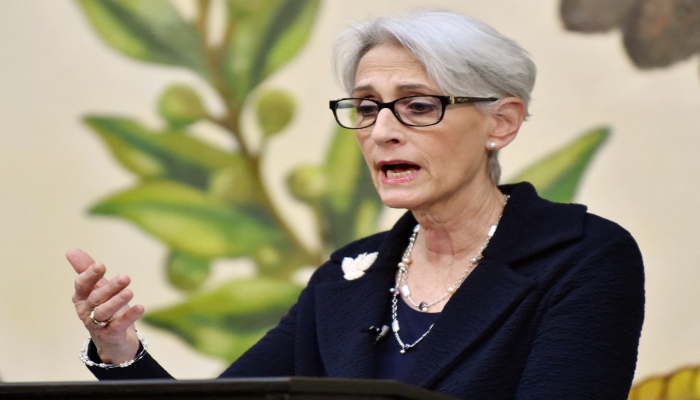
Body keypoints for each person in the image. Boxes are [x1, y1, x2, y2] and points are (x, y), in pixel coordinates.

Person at [67, 10, 645, 399]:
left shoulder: (584, 258)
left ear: (501, 122)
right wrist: (119, 351)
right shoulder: (346, 278)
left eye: (418, 106)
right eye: (367, 107)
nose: (382, 132)